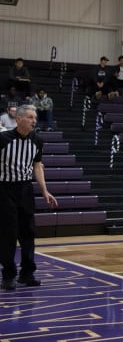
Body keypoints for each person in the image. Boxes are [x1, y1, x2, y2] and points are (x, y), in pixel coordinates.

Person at [0, 104, 58, 291]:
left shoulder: (37, 140)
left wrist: (44, 190)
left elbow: (37, 166)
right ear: (18, 119)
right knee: (8, 235)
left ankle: (27, 274)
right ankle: (8, 275)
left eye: (35, 117)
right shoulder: (3, 139)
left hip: (25, 190)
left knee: (28, 234)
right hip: (4, 189)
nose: (34, 120)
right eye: (30, 117)